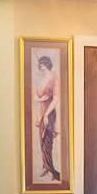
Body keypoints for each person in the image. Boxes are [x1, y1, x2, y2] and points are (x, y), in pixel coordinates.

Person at [33, 53, 60, 182]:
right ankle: (45, 166)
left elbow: (56, 98)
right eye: (40, 66)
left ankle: (51, 170)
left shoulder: (54, 79)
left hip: (48, 112)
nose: (41, 68)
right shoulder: (42, 81)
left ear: (47, 65)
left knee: (48, 141)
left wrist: (47, 114)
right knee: (41, 141)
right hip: (40, 112)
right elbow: (35, 97)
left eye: (42, 65)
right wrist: (40, 99)